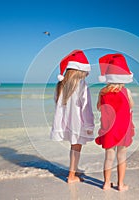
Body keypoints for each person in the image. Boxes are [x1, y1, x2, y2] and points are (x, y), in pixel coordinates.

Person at [50, 50, 94, 183]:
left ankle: (73, 170)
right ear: (80, 71)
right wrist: (89, 125)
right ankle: (71, 176)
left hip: (66, 122)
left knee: (73, 146)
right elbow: (87, 107)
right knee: (77, 147)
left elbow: (57, 104)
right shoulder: (81, 85)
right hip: (78, 122)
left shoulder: (61, 84)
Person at [95, 53, 135, 191]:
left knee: (109, 157)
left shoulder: (102, 92)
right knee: (121, 157)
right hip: (123, 130)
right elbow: (131, 106)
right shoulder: (126, 91)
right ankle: (120, 184)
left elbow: (99, 107)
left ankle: (106, 183)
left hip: (108, 130)